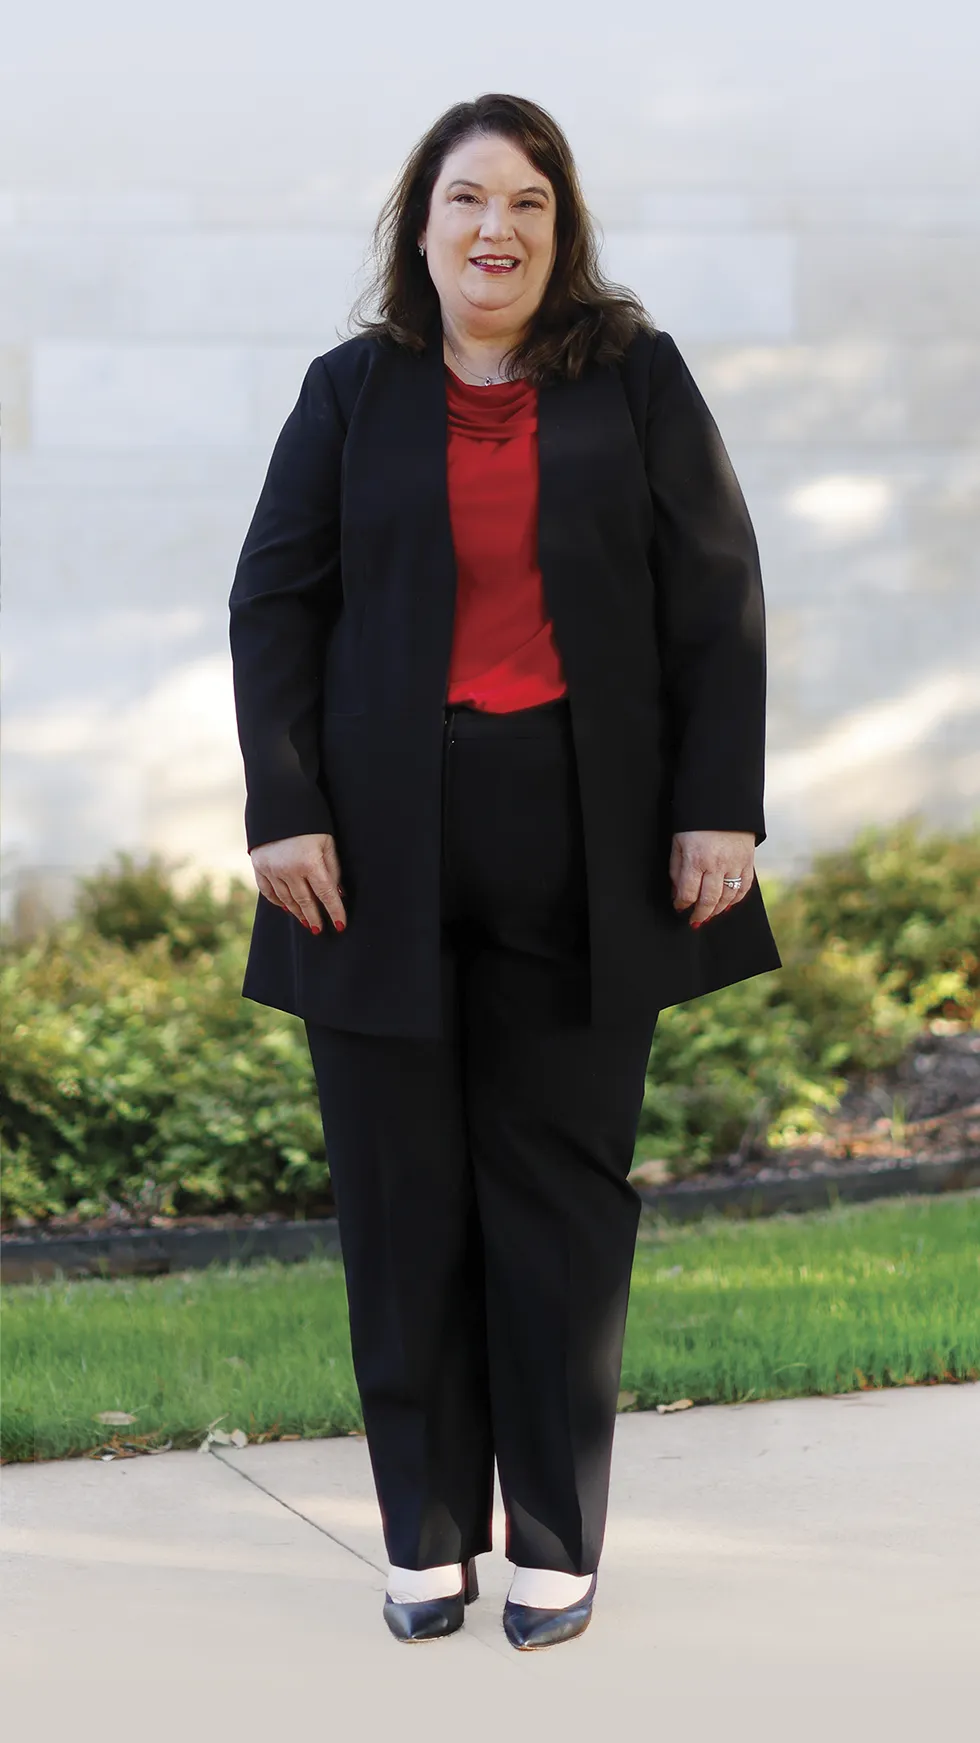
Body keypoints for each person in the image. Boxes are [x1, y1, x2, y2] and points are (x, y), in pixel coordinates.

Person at [229, 92, 781, 1651]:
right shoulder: (350, 394)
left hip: (588, 833)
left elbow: (719, 597)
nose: (499, 231)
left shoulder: (640, 380)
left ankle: (554, 1533)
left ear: (564, 228)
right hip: (373, 844)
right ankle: (420, 1533)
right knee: (402, 1197)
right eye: (470, 200)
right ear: (423, 225)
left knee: (557, 1191)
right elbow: (274, 604)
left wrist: (718, 807)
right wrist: (284, 804)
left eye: (530, 205)